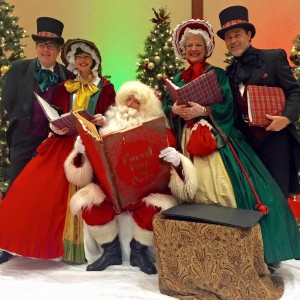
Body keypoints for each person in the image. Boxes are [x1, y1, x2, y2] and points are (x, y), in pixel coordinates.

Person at [163, 18, 300, 272]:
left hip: (219, 142)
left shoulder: (219, 74)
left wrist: (204, 110)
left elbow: (228, 106)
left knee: (244, 192)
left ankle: (258, 250)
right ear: (182, 49)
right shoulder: (176, 78)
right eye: (189, 45)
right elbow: (166, 109)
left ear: (207, 47)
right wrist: (173, 109)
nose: (194, 49)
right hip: (188, 143)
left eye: (198, 44)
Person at [0, 38, 116, 265]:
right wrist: (56, 125)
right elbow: (58, 112)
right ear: (73, 60)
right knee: (33, 183)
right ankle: (16, 240)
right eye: (78, 57)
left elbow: (112, 115)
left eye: (87, 57)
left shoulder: (106, 87)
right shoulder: (65, 87)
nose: (82, 61)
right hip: (64, 142)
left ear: (95, 60)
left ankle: (85, 246)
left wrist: (104, 120)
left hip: (92, 142)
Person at [64, 81, 196, 274]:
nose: (131, 105)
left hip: (146, 190)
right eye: (128, 100)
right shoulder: (106, 130)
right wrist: (81, 151)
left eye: (137, 102)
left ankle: (138, 251)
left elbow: (174, 169)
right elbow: (87, 170)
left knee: (156, 208)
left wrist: (176, 160)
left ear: (146, 106)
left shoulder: (161, 131)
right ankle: (111, 251)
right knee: (89, 204)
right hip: (113, 191)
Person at [217, 5, 300, 198]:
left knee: (278, 198)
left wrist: (286, 118)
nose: (233, 41)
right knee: (254, 198)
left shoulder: (273, 58)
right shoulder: (229, 73)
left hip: (276, 142)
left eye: (237, 35)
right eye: (228, 38)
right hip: (247, 145)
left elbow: (295, 90)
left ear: (248, 34)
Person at [1, 17, 71, 195]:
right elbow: (7, 99)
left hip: (52, 143)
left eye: (51, 46)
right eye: (41, 44)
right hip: (23, 139)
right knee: (17, 189)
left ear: (58, 49)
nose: (45, 50)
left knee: (45, 192)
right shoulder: (19, 68)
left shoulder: (68, 76)